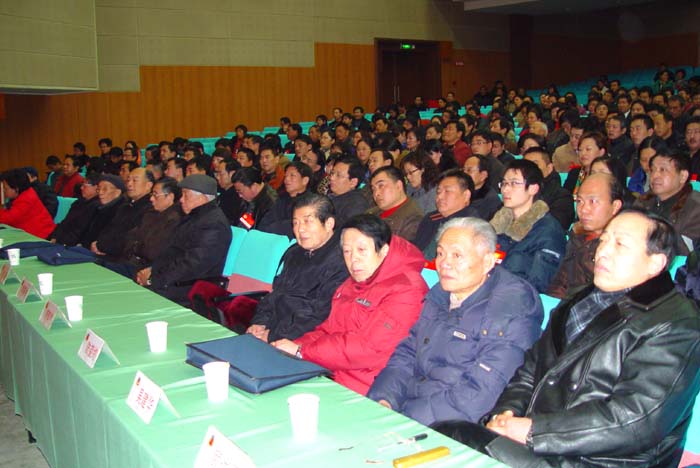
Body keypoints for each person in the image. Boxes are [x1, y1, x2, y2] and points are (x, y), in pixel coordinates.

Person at [435, 209, 700, 468]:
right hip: (544, 445)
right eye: (604, 240)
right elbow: (530, 371)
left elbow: (635, 421)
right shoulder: (580, 299)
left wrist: (533, 431)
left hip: (601, 460)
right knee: (448, 436)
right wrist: (506, 414)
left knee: (453, 436)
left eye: (620, 244)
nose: (602, 251)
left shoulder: (676, 324)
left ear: (655, 263)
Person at [368, 217, 543, 426]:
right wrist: (385, 399)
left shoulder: (511, 307)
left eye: (457, 255)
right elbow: (407, 353)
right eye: (440, 253)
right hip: (410, 408)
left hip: (451, 426)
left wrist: (406, 419)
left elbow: (480, 395)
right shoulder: (441, 294)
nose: (444, 263)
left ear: (487, 262)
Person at [272, 214, 428, 395]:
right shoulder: (354, 282)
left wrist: (303, 351)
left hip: (369, 388)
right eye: (347, 251)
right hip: (332, 372)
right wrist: (294, 346)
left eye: (362, 250)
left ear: (383, 251)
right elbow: (328, 330)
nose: (354, 259)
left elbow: (369, 349)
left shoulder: (408, 290)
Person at [246, 194, 349, 341]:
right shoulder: (294, 253)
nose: (300, 229)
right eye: (296, 223)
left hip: (302, 338)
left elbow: (320, 314)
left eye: (307, 222)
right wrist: (260, 322)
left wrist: (274, 335)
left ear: (329, 224)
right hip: (275, 329)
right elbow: (277, 293)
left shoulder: (342, 261)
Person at [136, 174, 231, 306]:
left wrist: (153, 280)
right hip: (172, 281)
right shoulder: (194, 217)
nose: (181, 200)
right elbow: (171, 253)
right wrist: (152, 270)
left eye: (186, 195)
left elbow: (192, 265)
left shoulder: (214, 225)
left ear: (202, 198)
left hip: (190, 288)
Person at [491, 160, 566, 292]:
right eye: (504, 183)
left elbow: (537, 284)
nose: (505, 189)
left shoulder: (548, 232)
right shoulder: (497, 225)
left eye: (514, 183)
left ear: (533, 188)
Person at [548, 173, 624, 299]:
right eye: (579, 201)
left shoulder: (621, 248)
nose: (583, 209)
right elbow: (559, 282)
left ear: (615, 206)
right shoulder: (577, 236)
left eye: (593, 201)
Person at [102, 177, 183, 278]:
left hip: (143, 270)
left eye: (155, 195)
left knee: (95, 265)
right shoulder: (150, 213)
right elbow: (130, 236)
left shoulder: (174, 220)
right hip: (127, 261)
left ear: (170, 197)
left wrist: (136, 246)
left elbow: (152, 251)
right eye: (151, 194)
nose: (151, 199)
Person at [635, 150, 700, 255]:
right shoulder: (643, 201)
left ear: (683, 176)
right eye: (652, 170)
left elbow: (688, 251)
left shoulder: (695, 207)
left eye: (663, 170)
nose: (655, 175)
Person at [415, 170, 480, 259]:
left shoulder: (472, 227)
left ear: (466, 195)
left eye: (447, 191)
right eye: (438, 192)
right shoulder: (431, 218)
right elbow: (416, 248)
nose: (439, 197)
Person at [90, 168, 154, 258]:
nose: (129, 184)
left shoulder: (150, 210)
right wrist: (97, 243)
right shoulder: (125, 206)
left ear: (148, 185)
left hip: (119, 258)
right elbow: (109, 228)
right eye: (128, 180)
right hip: (102, 252)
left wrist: (102, 247)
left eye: (135, 180)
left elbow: (130, 239)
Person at [366, 166, 423, 243]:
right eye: (373, 189)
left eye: (381, 186)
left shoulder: (413, 219)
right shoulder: (371, 213)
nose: (376, 193)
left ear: (398, 186)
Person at [523, 147, 575, 230]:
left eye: (535, 165)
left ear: (549, 168)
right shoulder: (517, 192)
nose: (529, 170)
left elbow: (555, 227)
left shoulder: (562, 196)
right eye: (525, 166)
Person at [257, 162, 311, 238]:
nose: (286, 179)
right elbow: (264, 223)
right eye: (285, 176)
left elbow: (293, 226)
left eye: (292, 176)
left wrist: (272, 227)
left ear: (305, 180)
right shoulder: (281, 198)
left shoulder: (311, 203)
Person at [0, 169, 55, 239]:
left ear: (16, 189)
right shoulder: (23, 194)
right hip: (30, 234)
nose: (4, 191)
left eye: (5, 188)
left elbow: (8, 218)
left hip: (42, 237)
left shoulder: (26, 199)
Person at [50, 172, 101, 245]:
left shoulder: (97, 207)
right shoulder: (78, 202)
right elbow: (65, 222)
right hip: (61, 240)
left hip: (74, 244)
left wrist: (61, 242)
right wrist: (55, 236)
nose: (81, 188)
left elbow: (81, 231)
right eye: (82, 185)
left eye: (85, 186)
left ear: (96, 188)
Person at [80, 174, 127, 247]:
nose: (100, 192)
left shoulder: (121, 212)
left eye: (105, 189)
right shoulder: (99, 207)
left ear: (117, 192)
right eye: (99, 189)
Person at [328, 155, 370, 227]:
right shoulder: (332, 195)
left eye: (338, 175)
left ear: (353, 182)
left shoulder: (357, 205)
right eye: (332, 173)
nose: (332, 178)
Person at [463, 155, 502, 221]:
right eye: (463, 169)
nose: (464, 173)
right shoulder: (460, 191)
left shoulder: (490, 200)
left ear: (483, 175)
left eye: (469, 170)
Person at [213, 158, 244, 225]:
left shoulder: (239, 196)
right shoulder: (223, 191)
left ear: (232, 174)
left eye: (220, 174)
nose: (217, 177)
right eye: (217, 174)